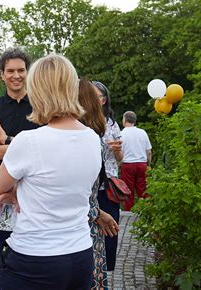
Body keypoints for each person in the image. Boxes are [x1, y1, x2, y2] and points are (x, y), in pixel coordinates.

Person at [0, 54, 102, 289]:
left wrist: (15, 194)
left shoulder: (28, 141)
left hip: (34, 258)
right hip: (81, 253)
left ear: (38, 92)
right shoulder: (92, 139)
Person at [0, 47, 39, 286]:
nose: (16, 75)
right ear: (1, 75)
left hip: (36, 191)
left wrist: (7, 140)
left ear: (28, 72)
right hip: (3, 193)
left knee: (37, 253)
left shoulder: (41, 106)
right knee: (2, 251)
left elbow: (48, 149)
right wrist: (30, 147)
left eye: (21, 70)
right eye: (10, 71)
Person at [78, 77, 120, 289]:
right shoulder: (89, 138)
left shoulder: (90, 136)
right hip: (84, 225)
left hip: (78, 226)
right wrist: (96, 213)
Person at [92, 80, 123, 272]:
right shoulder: (81, 122)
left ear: (103, 101)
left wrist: (118, 150)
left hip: (109, 185)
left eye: (96, 96)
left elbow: (120, 159)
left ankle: (106, 268)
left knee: (111, 228)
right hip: (89, 184)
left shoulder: (112, 124)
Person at [120, 110, 152, 211]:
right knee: (143, 189)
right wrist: (148, 164)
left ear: (124, 120)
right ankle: (146, 209)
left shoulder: (121, 134)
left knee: (128, 190)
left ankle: (129, 211)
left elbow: (119, 153)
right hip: (142, 164)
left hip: (128, 165)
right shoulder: (142, 133)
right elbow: (149, 151)